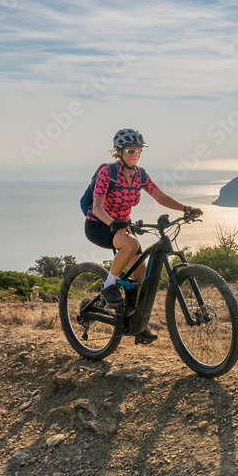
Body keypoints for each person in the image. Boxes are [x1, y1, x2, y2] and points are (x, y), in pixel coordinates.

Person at [84, 128, 202, 343]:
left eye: (139, 151)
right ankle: (108, 286)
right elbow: (97, 208)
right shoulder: (107, 173)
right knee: (131, 244)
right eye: (130, 151)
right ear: (118, 152)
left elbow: (160, 197)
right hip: (100, 225)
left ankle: (137, 326)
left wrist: (186, 208)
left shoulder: (140, 174)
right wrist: (113, 222)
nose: (135, 155)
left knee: (142, 275)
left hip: (123, 228)